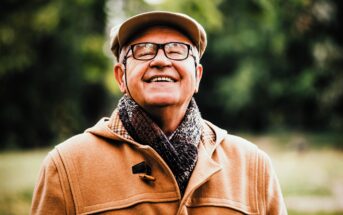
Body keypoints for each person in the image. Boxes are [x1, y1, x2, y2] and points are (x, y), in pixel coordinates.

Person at [31, 11, 287, 214]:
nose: (161, 60)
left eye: (177, 50)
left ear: (197, 76)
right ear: (121, 76)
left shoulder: (252, 166)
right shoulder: (66, 167)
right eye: (144, 50)